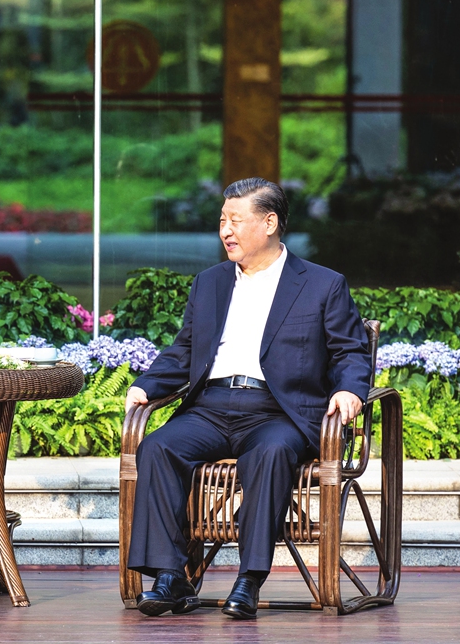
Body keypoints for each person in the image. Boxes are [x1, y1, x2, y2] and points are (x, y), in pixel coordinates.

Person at [124, 177, 371, 620]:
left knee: (272, 452)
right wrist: (148, 384)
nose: (226, 231)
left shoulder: (321, 284)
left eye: (236, 220)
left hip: (278, 412)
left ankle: (249, 578)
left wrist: (351, 390)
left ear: (270, 222)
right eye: (222, 220)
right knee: (157, 446)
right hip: (212, 407)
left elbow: (349, 351)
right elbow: (184, 349)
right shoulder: (209, 283)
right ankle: (169, 575)